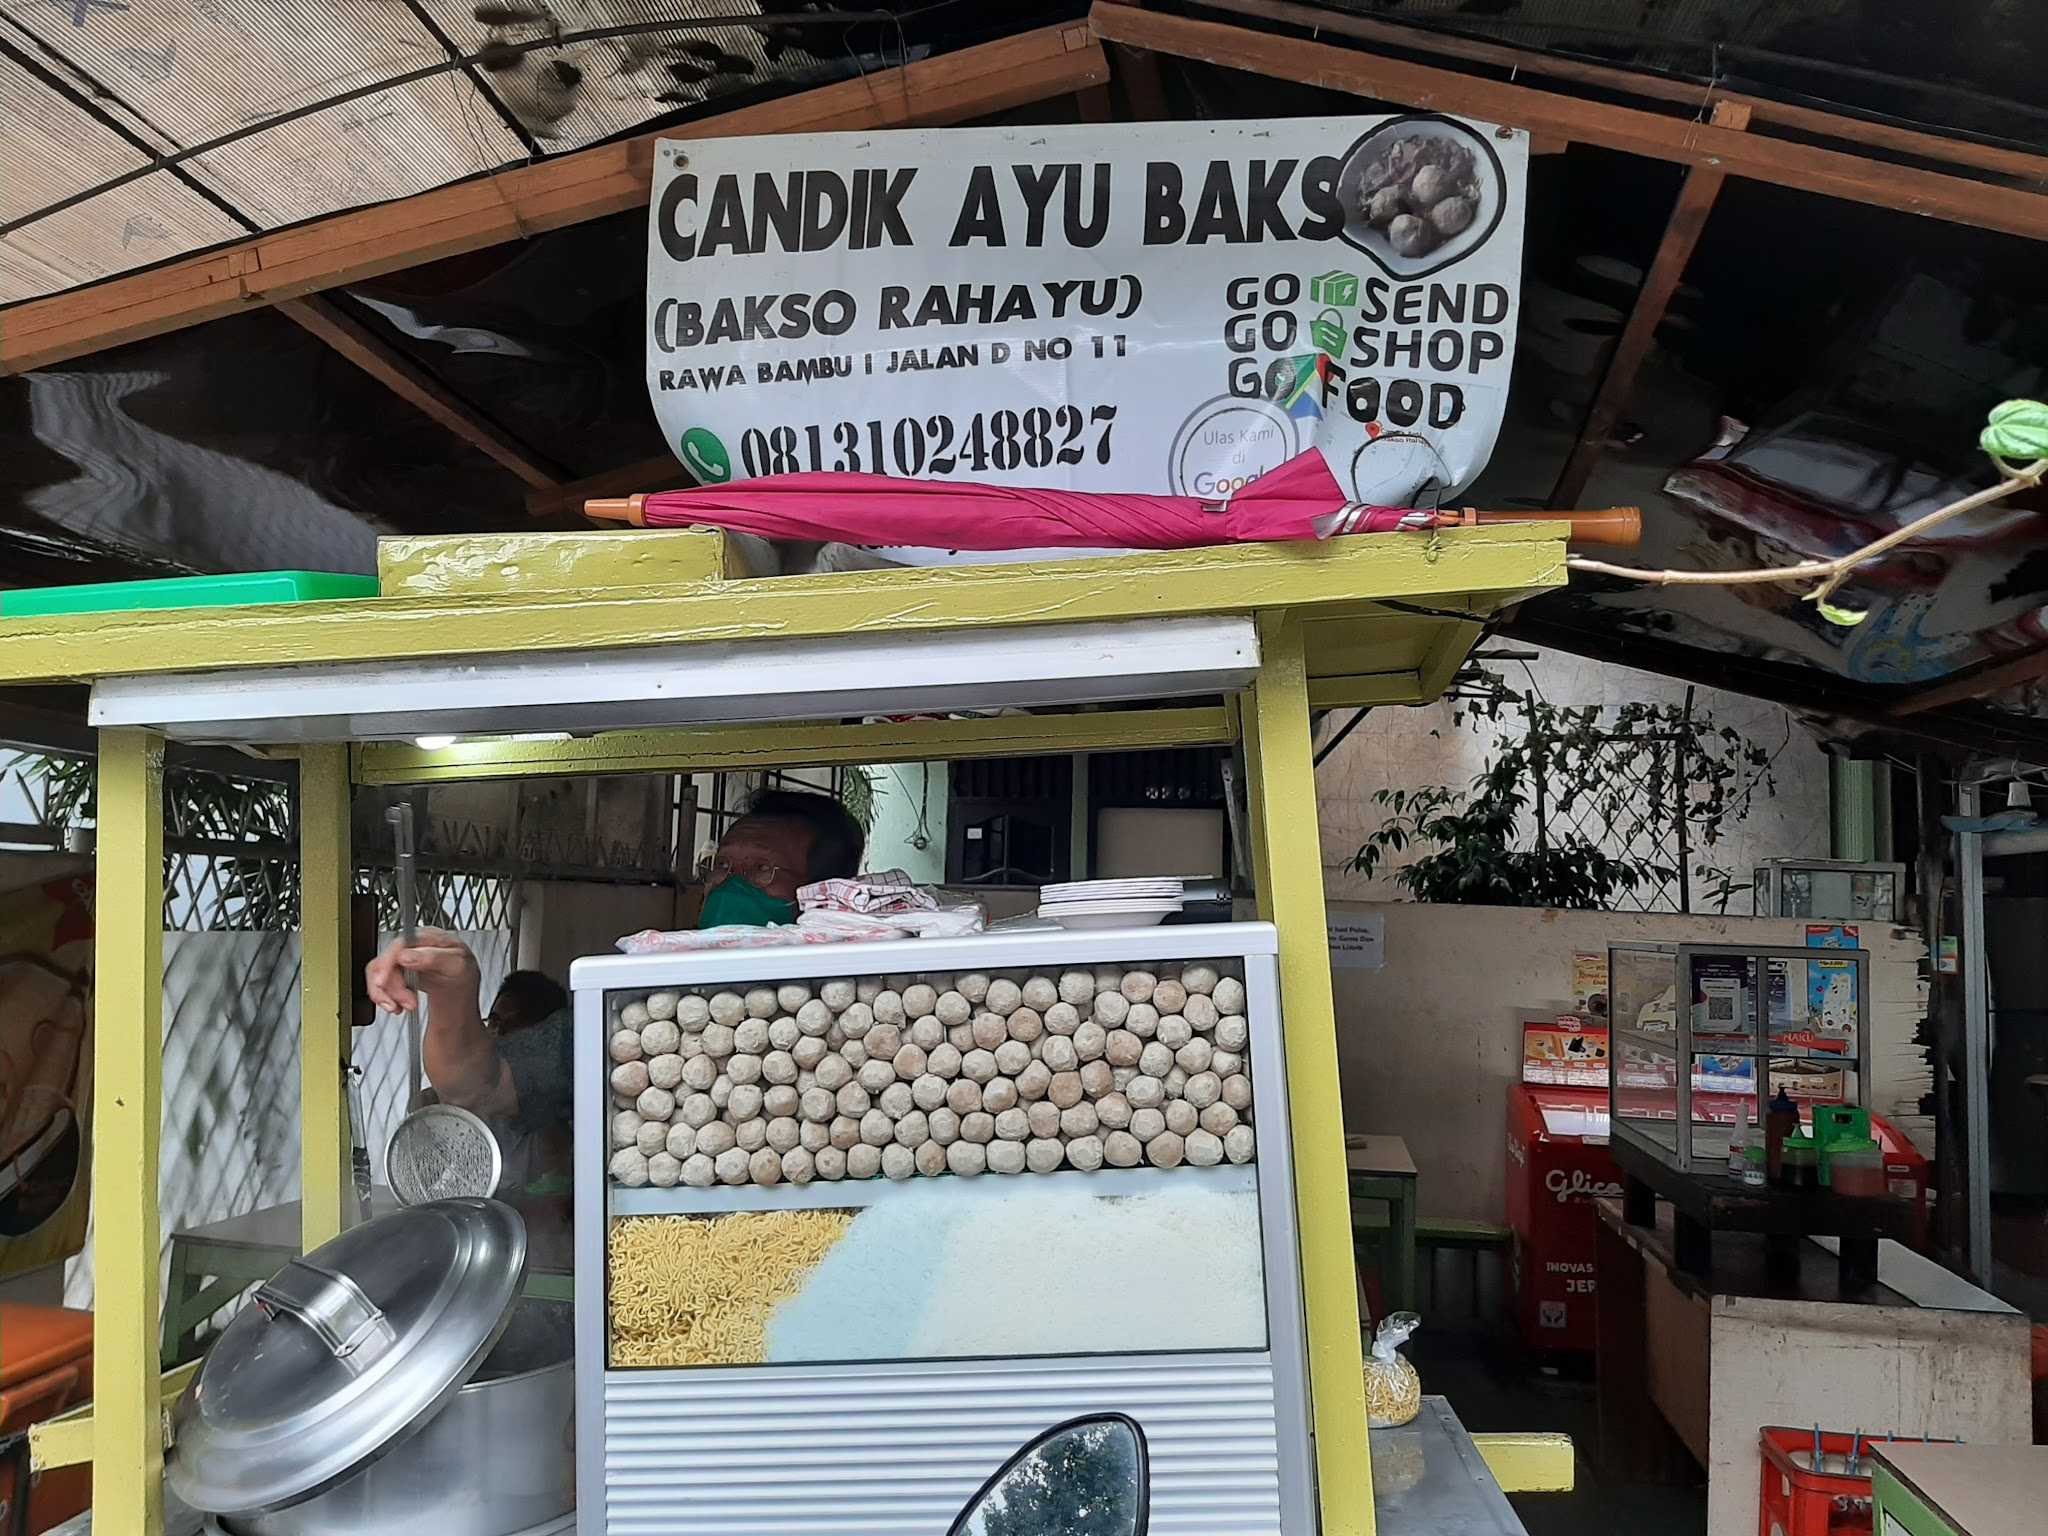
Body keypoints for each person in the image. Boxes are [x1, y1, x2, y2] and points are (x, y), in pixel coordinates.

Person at [363, 787, 865, 1210]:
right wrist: (454, 995)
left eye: (761, 871)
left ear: (829, 894)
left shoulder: (866, 1013)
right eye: (719, 868)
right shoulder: (632, 1013)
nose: (729, 887)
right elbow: (480, 1088)